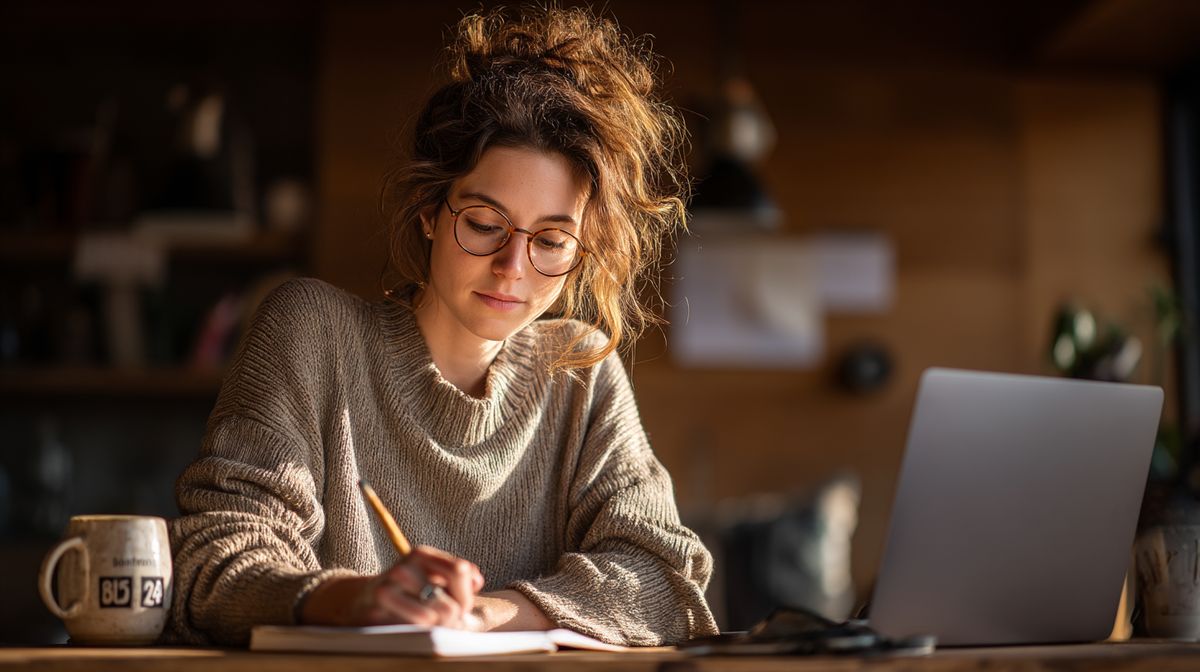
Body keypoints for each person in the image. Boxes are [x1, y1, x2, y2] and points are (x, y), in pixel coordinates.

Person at [167, 5, 718, 646]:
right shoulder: (312, 334)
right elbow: (209, 560)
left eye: (551, 240)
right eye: (484, 224)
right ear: (430, 210)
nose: (513, 268)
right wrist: (355, 600)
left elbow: (663, 576)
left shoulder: (581, 373)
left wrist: (482, 617)